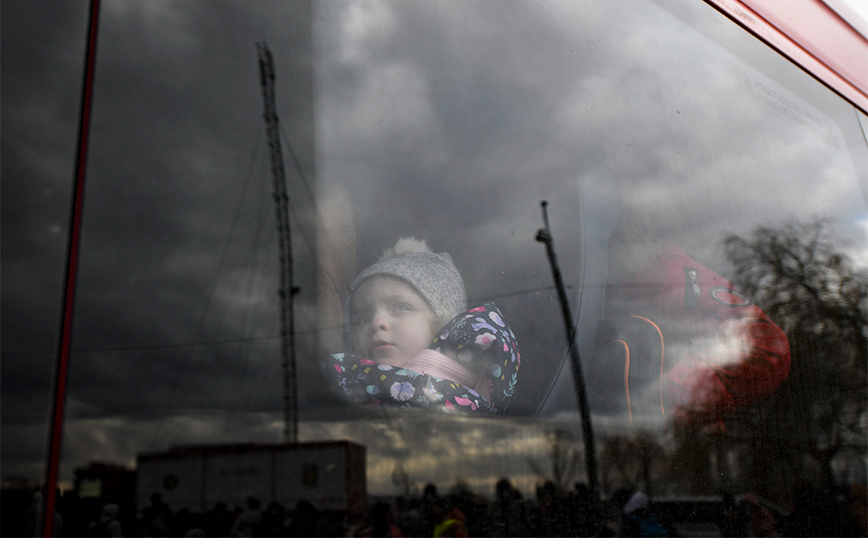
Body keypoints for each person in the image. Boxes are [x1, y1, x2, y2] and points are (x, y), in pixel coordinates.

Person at [320, 237, 521, 414]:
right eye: (362, 319)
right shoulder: (326, 386)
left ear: (442, 323)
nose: (376, 322)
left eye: (401, 307)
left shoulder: (467, 407)